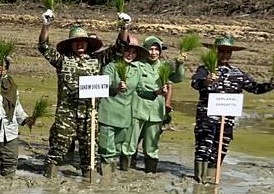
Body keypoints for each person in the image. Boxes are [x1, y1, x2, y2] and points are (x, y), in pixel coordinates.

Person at [37, 8, 129, 178]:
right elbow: (44, 47)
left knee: (90, 153)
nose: (80, 44)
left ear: (88, 43)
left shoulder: (97, 60)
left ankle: (89, 183)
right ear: (71, 44)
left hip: (89, 113)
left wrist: (123, 27)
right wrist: (46, 25)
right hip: (67, 114)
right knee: (58, 148)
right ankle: (49, 182)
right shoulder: (62, 61)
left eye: (83, 41)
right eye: (76, 41)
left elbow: (120, 47)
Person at [189, 36, 274, 182]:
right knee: (204, 147)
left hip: (227, 120)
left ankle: (212, 178)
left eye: (228, 52)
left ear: (231, 54)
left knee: (221, 148)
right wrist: (206, 81)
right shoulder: (205, 70)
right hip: (207, 119)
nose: (224, 55)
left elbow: (255, 88)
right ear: (215, 52)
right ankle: (200, 179)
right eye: (221, 51)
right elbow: (195, 83)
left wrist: (271, 85)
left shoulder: (238, 73)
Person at [97, 37, 151, 174]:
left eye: (133, 52)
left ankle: (112, 178)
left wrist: (156, 92)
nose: (130, 54)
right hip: (108, 112)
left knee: (118, 148)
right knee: (106, 149)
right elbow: (105, 85)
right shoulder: (111, 66)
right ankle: (105, 180)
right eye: (127, 50)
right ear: (122, 51)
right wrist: (116, 87)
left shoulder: (136, 70)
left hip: (125, 114)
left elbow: (141, 90)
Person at [130, 35, 184, 173]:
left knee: (151, 146)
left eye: (156, 49)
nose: (153, 53)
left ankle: (150, 172)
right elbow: (138, 88)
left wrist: (179, 64)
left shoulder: (164, 66)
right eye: (150, 49)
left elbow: (177, 78)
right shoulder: (138, 65)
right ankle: (126, 171)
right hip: (137, 110)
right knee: (130, 143)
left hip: (156, 112)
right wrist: (156, 92)